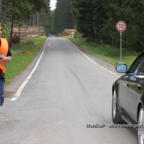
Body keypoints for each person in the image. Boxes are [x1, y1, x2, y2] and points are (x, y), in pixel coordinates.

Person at [0, 23, 12, 106]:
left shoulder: (4, 42)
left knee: (1, 96)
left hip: (1, 73)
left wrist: (6, 58)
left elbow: (10, 58)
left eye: (0, 30)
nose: (0, 31)